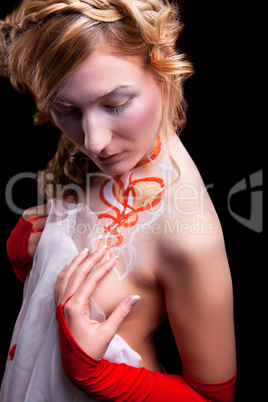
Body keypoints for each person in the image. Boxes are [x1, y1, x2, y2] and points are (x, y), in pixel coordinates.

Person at [0, 1, 237, 401]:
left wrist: (95, 374)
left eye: (116, 105)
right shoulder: (102, 147)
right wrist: (29, 258)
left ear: (161, 70)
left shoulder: (189, 237)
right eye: (67, 109)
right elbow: (65, 305)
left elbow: (215, 399)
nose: (94, 141)